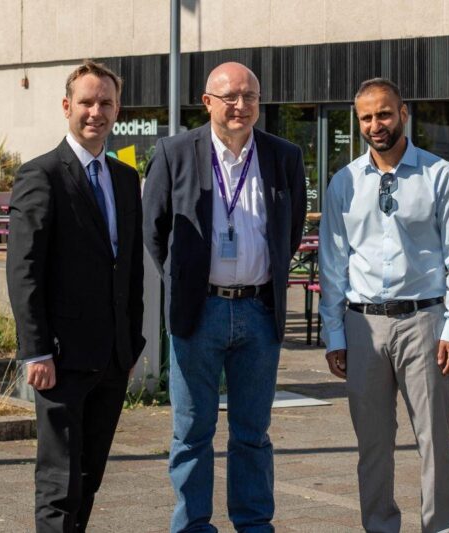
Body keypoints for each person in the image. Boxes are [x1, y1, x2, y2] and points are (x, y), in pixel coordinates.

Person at [142, 62, 306, 532]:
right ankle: (193, 526)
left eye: (249, 95)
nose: (240, 105)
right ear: (207, 101)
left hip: (259, 311)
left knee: (252, 433)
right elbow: (155, 231)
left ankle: (254, 525)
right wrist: (183, 283)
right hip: (200, 312)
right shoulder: (174, 153)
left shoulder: (283, 155)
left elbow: (288, 233)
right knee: (192, 432)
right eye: (230, 96)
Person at [318, 78, 449, 533]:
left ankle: (439, 528)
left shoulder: (439, 174)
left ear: (403, 113)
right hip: (363, 326)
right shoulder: (343, 183)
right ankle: (380, 526)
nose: (376, 125)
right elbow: (333, 264)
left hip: (424, 321)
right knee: (372, 444)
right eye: (366, 117)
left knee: (434, 441)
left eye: (384, 114)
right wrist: (334, 334)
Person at [6, 60, 145, 532]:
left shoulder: (125, 179)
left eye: (105, 102)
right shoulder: (40, 175)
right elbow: (24, 271)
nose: (96, 111)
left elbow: (128, 267)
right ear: (67, 107)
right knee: (59, 485)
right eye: (86, 102)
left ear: (117, 109)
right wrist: (36, 350)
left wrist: (133, 342)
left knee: (89, 478)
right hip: (60, 361)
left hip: (112, 359)